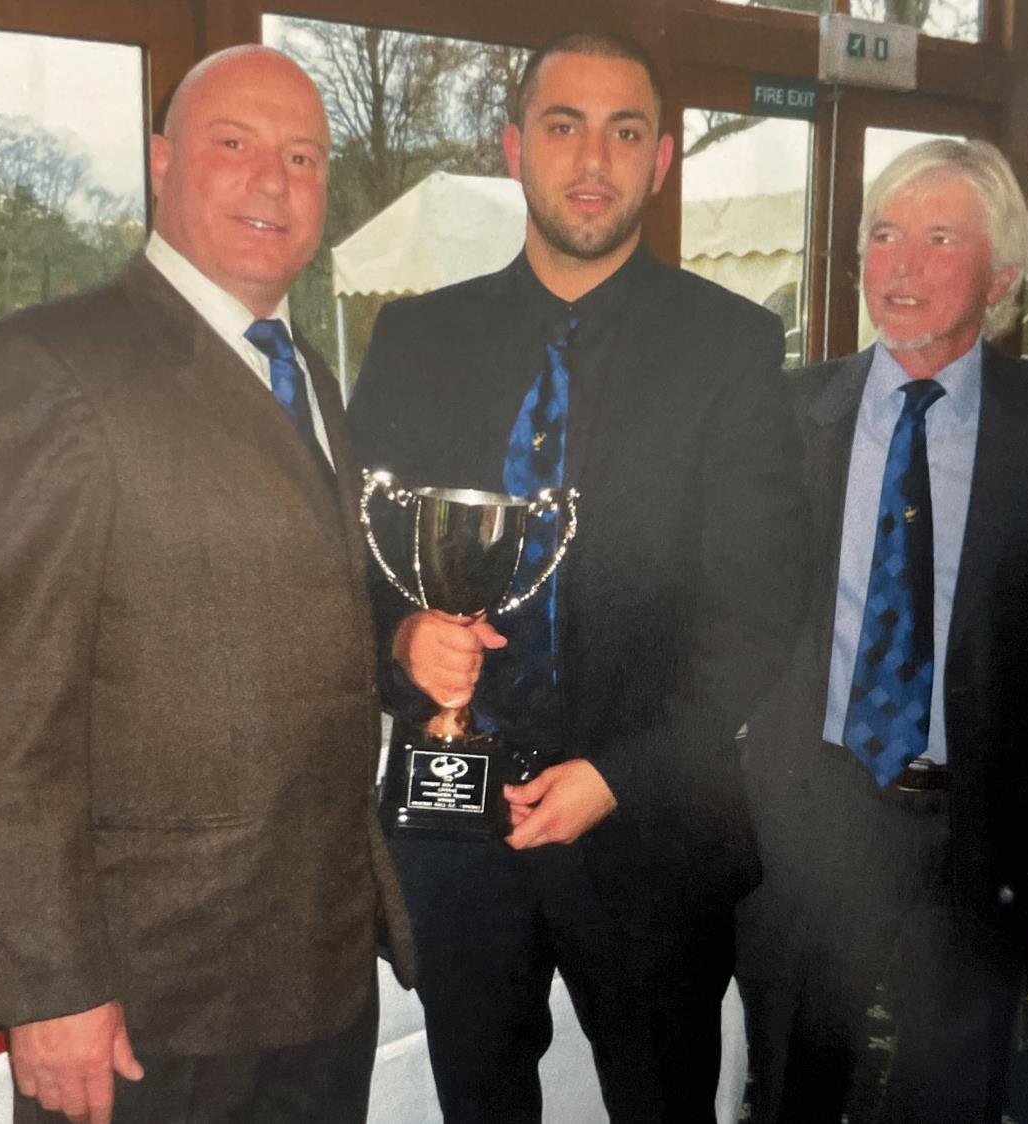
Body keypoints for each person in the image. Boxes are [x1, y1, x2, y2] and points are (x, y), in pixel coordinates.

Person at [0, 45, 413, 1124]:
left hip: (318, 975)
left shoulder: (306, 373)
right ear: (162, 163)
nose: (273, 181)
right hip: (150, 1005)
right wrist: (53, 988)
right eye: (233, 144)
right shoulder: (47, 369)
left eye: (302, 155)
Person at [348, 28, 805, 1124]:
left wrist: (618, 774)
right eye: (563, 125)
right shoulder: (416, 337)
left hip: (647, 824)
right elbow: (347, 553)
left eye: (624, 130)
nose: (592, 158)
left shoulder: (731, 345)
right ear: (514, 147)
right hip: (453, 825)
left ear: (662, 158)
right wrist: (402, 641)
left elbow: (760, 605)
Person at [733, 137, 1028, 1123]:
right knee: (788, 1088)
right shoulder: (786, 416)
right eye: (883, 233)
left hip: (978, 834)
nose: (901, 264)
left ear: (1002, 274)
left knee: (950, 1099)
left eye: (939, 237)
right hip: (806, 823)